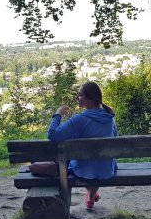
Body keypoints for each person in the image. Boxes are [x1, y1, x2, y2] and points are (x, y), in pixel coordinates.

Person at [47, 81, 118, 210]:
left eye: (80, 95)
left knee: (81, 165)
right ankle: (91, 196)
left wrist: (58, 114)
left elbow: (52, 134)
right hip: (107, 171)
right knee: (97, 163)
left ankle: (91, 194)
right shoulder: (110, 117)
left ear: (89, 98)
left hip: (83, 171)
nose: (76, 98)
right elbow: (115, 140)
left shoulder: (79, 119)